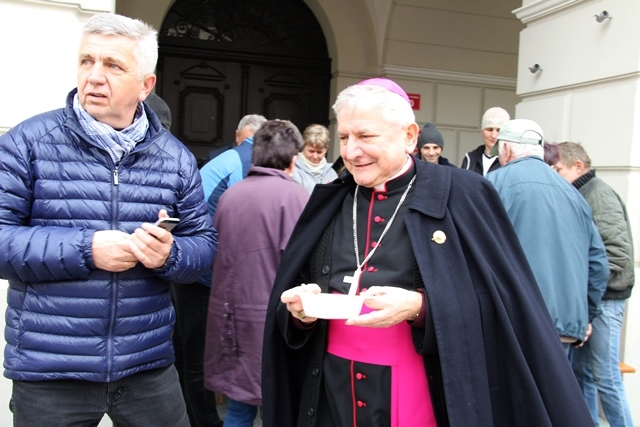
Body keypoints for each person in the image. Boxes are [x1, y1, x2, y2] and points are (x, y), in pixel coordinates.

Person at [262, 77, 595, 426]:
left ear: (409, 136)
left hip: (418, 393)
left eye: (365, 136)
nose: (350, 151)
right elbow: (294, 296)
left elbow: (501, 306)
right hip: (333, 393)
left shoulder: (464, 194)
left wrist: (421, 307)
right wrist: (299, 313)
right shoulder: (330, 200)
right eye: (344, 137)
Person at [0, 13, 217, 427]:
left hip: (147, 366)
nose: (94, 76)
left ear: (146, 85)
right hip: (52, 371)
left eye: (113, 65)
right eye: (87, 61)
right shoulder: (27, 143)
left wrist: (168, 255)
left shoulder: (176, 158)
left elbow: (204, 246)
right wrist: (87, 249)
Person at [204, 120, 310, 426]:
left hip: (229, 319)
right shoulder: (296, 198)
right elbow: (303, 266)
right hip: (274, 322)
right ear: (292, 160)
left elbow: (215, 255)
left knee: (239, 409)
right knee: (279, 410)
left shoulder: (231, 195)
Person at [172, 113, 266, 427]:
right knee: (199, 358)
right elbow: (243, 225)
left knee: (187, 352)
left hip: (189, 265)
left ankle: (189, 417)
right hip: (205, 274)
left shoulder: (228, 158)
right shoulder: (246, 162)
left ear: (242, 135)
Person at [486, 120, 609, 353]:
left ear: (506, 149)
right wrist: (585, 315)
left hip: (511, 323)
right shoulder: (574, 195)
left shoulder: (492, 185)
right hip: (564, 327)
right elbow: (598, 265)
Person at [546, 141, 635, 427]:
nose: (554, 174)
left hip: (606, 300)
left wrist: (582, 286)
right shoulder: (581, 193)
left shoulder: (598, 194)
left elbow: (617, 255)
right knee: (583, 374)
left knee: (606, 376)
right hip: (593, 299)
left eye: (558, 169)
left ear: (578, 166)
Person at [461, 106, 510, 175]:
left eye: (499, 130)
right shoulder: (470, 158)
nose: (493, 135)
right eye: (489, 130)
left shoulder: (511, 160)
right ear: (482, 131)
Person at [292, 123, 339, 193]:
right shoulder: (293, 170)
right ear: (303, 146)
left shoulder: (331, 173)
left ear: (326, 149)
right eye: (311, 151)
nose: (315, 156)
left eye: (319, 152)